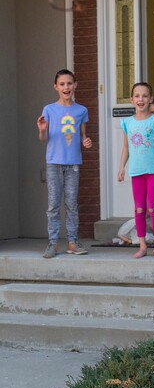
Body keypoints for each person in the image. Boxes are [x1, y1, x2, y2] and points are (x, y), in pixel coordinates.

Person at [37, 69, 92, 258]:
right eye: (62, 84)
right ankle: (52, 243)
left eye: (69, 83)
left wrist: (86, 142)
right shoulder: (49, 109)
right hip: (54, 163)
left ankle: (72, 241)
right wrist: (43, 130)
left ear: (75, 85)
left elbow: (83, 136)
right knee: (53, 204)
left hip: (73, 163)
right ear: (56, 87)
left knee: (71, 204)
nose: (66, 87)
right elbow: (44, 138)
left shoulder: (81, 110)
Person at [117, 82, 154, 259]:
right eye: (137, 96)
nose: (140, 99)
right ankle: (142, 245)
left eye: (144, 96)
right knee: (139, 209)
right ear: (132, 99)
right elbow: (126, 148)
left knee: (152, 207)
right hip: (137, 172)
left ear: (150, 99)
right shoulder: (127, 123)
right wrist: (121, 168)